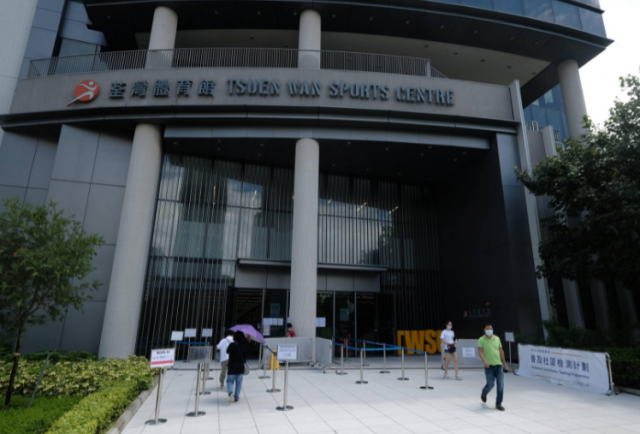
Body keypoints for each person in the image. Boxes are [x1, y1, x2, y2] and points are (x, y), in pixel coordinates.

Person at [477, 323, 509, 411]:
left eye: (491, 328)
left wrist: (504, 363)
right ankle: (484, 392)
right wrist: (485, 362)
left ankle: (498, 403)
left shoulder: (497, 338)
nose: (489, 330)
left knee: (501, 385)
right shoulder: (481, 339)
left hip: (498, 365)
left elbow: (501, 351)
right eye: (487, 329)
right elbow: (480, 352)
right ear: (484, 330)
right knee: (490, 384)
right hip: (489, 366)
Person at [226, 331, 249, 404]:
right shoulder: (245, 345)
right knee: (239, 383)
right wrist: (249, 336)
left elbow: (227, 351)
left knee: (229, 381)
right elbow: (248, 344)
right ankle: (236, 397)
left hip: (232, 367)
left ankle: (230, 392)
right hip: (240, 367)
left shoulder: (232, 345)